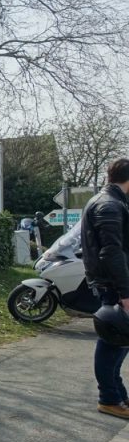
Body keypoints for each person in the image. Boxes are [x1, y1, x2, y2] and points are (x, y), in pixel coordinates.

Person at [82, 158, 129, 420]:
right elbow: (112, 252)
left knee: (120, 341)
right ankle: (109, 398)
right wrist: (125, 293)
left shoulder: (111, 201)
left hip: (114, 284)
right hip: (113, 285)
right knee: (114, 340)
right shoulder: (109, 205)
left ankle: (117, 393)